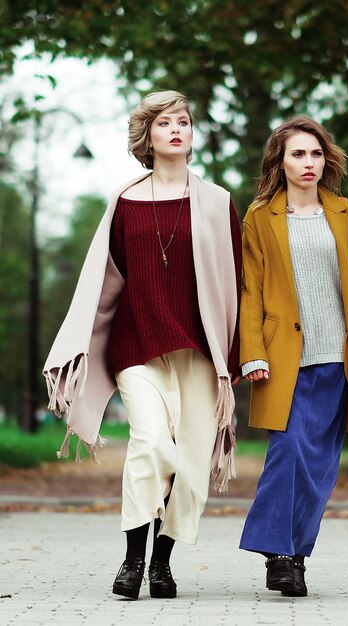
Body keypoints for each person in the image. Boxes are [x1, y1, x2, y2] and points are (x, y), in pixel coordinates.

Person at [43, 90, 241, 600]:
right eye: (165, 123)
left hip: (199, 349)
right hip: (135, 346)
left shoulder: (218, 202)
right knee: (149, 443)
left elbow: (235, 282)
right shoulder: (125, 200)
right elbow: (103, 280)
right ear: (147, 137)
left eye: (184, 122)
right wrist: (79, 346)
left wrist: (239, 355)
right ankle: (132, 560)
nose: (177, 129)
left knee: (192, 457)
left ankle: (162, 565)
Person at [238, 116, 348, 597]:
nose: (308, 162)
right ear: (280, 160)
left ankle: (296, 556)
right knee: (288, 452)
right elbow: (249, 292)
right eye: (298, 154)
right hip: (281, 359)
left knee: (320, 464)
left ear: (327, 159)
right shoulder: (259, 217)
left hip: (337, 357)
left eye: (316, 153)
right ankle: (276, 553)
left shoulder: (345, 213)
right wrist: (251, 352)